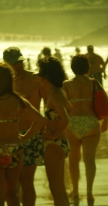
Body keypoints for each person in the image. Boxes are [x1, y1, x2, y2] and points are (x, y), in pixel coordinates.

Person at [0, 62, 49, 206]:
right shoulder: (18, 100)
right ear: (10, 80)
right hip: (15, 150)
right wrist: (25, 137)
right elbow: (40, 120)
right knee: (11, 194)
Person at [3, 47, 47, 206]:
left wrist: (47, 129)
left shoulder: (35, 79)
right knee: (12, 184)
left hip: (32, 135)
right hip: (9, 137)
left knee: (27, 181)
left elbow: (50, 104)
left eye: (20, 61)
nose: (19, 66)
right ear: (6, 64)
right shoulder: (3, 83)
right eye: (14, 63)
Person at [63, 55, 108, 203]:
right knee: (90, 160)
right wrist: (105, 121)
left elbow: (61, 105)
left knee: (73, 159)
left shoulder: (67, 84)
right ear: (87, 67)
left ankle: (75, 191)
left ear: (72, 67)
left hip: (72, 123)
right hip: (91, 122)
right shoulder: (94, 83)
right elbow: (106, 102)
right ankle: (89, 192)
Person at [35, 57, 72, 206]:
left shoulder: (55, 95)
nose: (38, 77)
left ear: (47, 77)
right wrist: (54, 124)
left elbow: (66, 119)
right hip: (62, 143)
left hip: (54, 144)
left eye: (40, 74)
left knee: (55, 190)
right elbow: (70, 107)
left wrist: (53, 134)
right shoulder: (59, 91)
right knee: (61, 189)